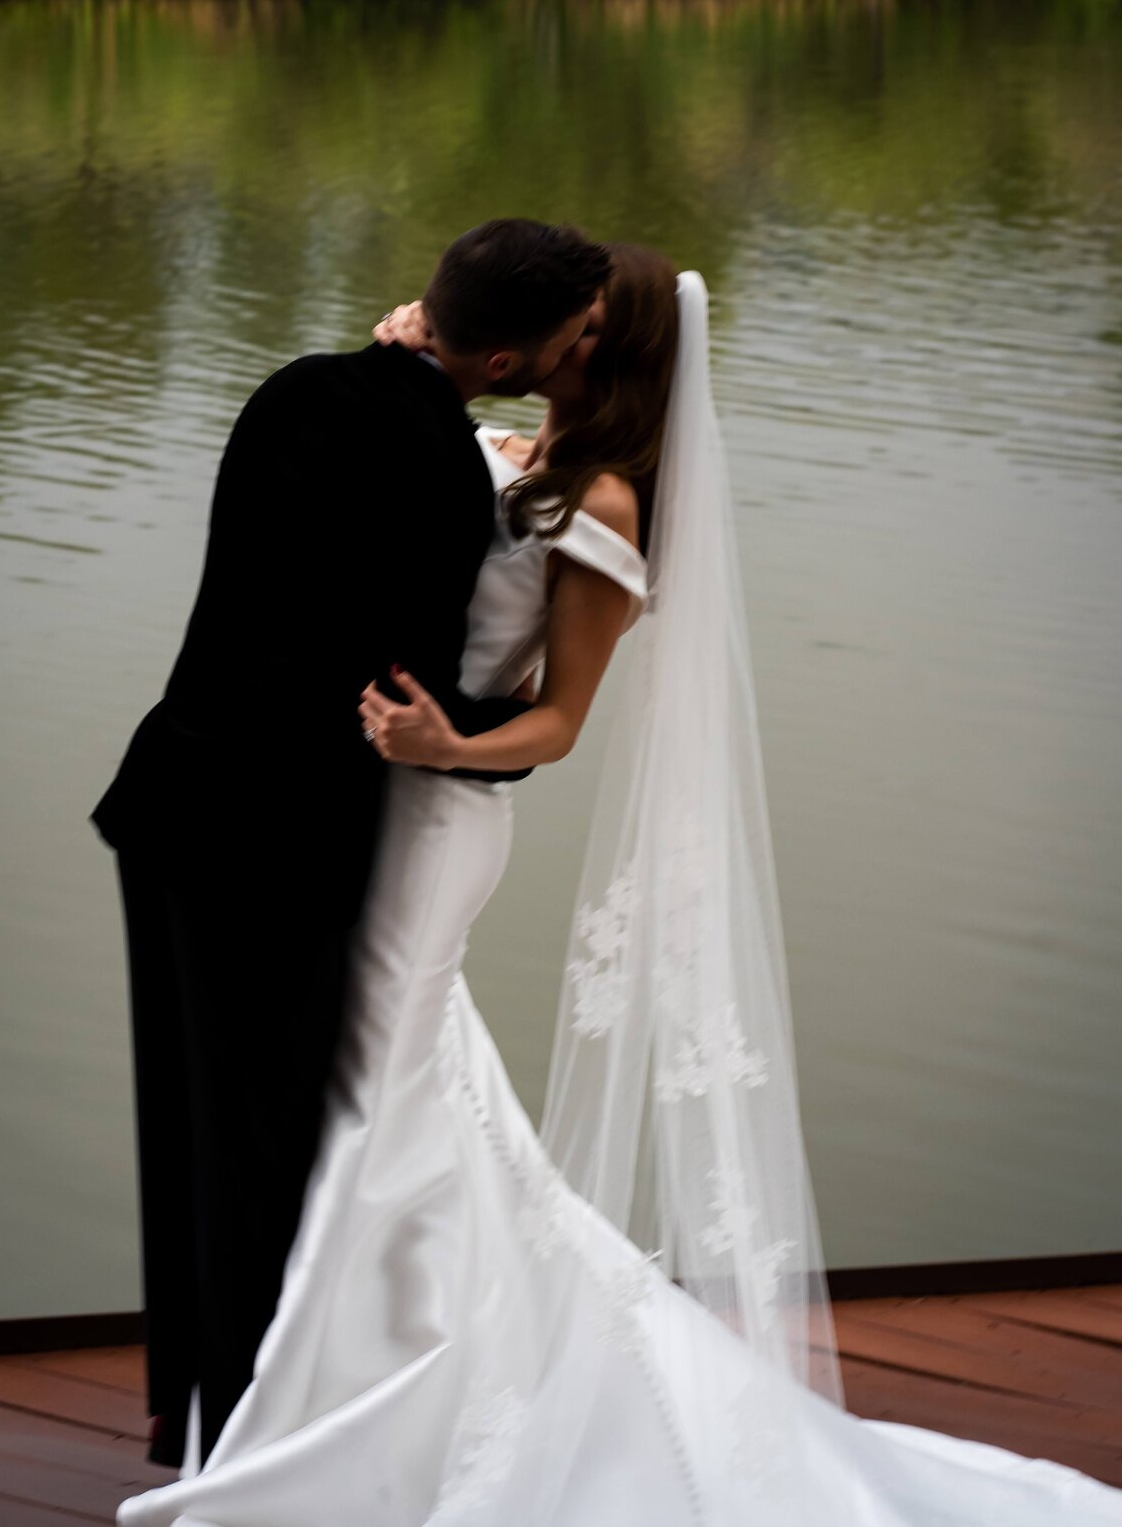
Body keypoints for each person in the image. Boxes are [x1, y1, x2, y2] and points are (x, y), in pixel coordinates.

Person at [117, 253, 1122, 1525]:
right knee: (386, 1096)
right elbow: (413, 464)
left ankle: (362, 1397)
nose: (561, 330)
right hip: (377, 810)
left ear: (602, 345)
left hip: (443, 814)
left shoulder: (606, 503)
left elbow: (561, 721)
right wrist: (410, 352)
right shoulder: (503, 444)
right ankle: (356, 1379)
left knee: (380, 1101)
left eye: (584, 321)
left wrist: (448, 748)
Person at [90, 219, 611, 1472]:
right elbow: (401, 693)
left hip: (171, 789)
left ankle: (195, 1399)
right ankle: (258, 1428)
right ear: (501, 352)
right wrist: (515, 741)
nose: (587, 347)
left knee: (190, 1118)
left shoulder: (300, 386)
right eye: (573, 332)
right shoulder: (442, 474)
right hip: (280, 842)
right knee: (266, 1138)